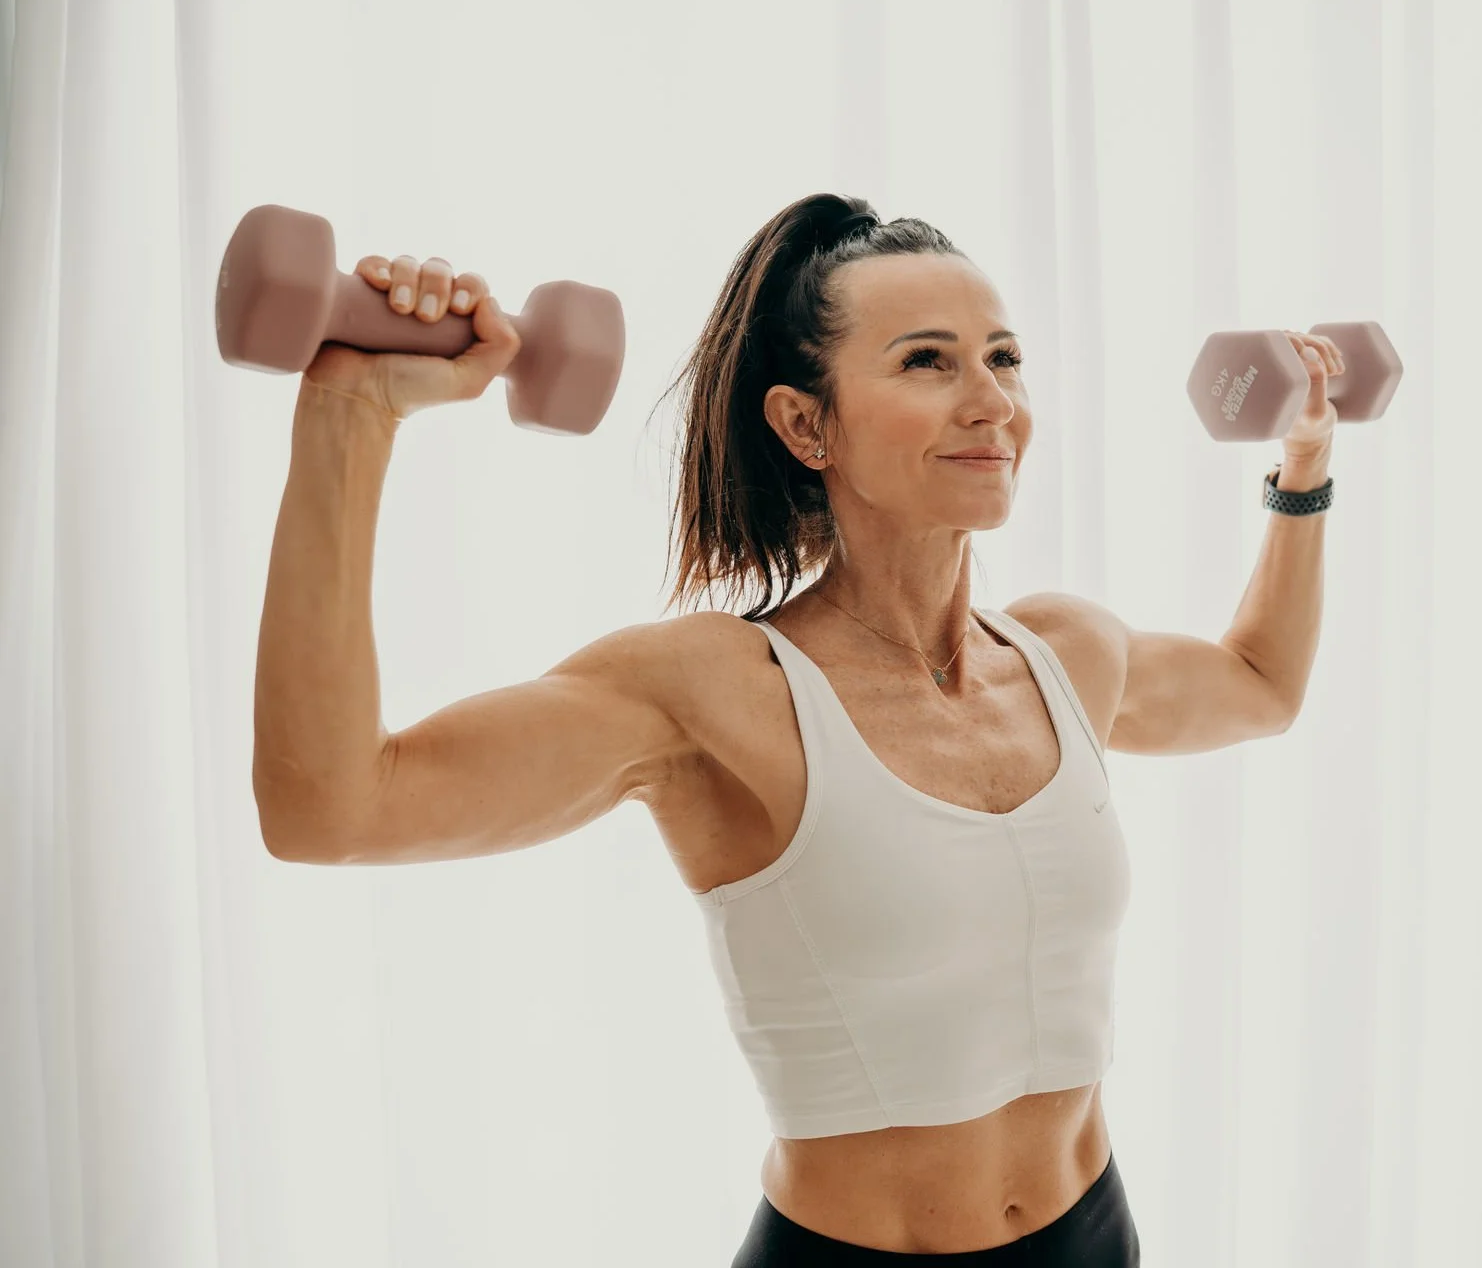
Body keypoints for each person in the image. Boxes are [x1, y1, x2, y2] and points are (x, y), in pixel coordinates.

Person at [254, 191, 1341, 1264]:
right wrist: (351, 412)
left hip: (1095, 1236)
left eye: (1003, 358)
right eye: (927, 361)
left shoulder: (1068, 655)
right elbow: (332, 805)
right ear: (804, 423)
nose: (992, 401)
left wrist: (1304, 466)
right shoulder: (712, 691)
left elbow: (1259, 683)